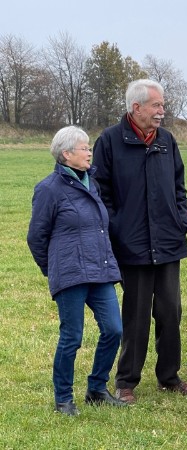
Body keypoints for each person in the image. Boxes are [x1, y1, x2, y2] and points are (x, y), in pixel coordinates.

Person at [92, 79, 187, 404]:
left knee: (170, 312)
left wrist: (181, 220)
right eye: (156, 105)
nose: (162, 111)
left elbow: (179, 185)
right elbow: (99, 191)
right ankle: (126, 381)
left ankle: (169, 376)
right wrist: (117, 227)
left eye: (162, 105)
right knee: (135, 316)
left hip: (167, 243)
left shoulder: (167, 141)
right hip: (132, 245)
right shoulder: (109, 141)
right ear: (136, 108)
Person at [27, 126, 126, 416]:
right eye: (84, 148)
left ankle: (96, 388)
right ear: (66, 153)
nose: (89, 152)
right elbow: (36, 237)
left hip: (100, 271)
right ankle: (63, 399)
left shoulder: (91, 183)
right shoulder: (48, 189)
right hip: (70, 274)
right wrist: (54, 269)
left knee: (113, 329)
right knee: (72, 336)